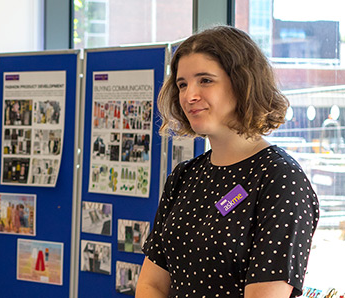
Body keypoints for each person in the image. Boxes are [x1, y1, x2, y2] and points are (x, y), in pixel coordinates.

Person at [135, 25, 319, 298]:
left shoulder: (280, 178)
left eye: (205, 80)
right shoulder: (185, 176)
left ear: (243, 83)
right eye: (182, 84)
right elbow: (152, 284)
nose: (189, 96)